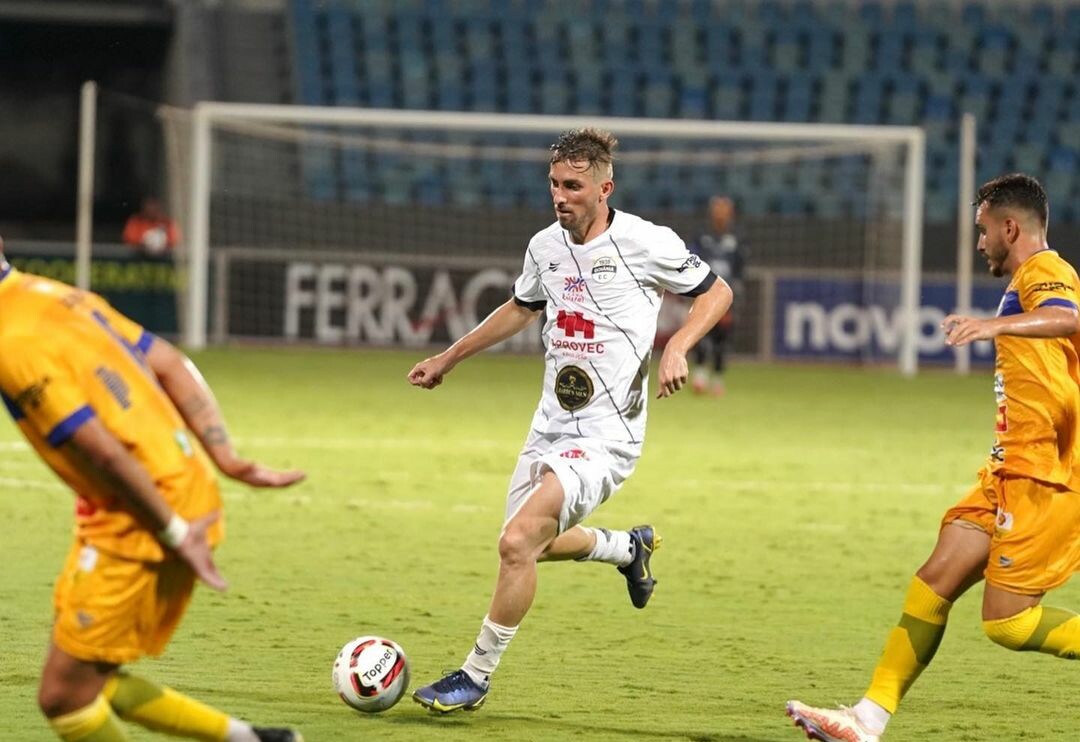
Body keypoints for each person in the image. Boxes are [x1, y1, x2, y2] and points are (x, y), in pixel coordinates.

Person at [407, 128, 733, 713]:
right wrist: (448, 358)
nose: (561, 196)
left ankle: (474, 677)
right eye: (554, 184)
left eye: (574, 186)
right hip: (550, 424)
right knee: (526, 547)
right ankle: (626, 548)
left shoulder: (645, 242)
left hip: (609, 435)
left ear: (605, 188)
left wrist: (678, 346)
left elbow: (717, 293)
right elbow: (521, 308)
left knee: (517, 542)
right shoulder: (544, 247)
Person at [786, 173, 1080, 742]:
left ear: (1010, 228)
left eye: (983, 230)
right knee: (933, 580)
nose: (979, 243)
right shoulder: (1024, 281)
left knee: (1008, 623)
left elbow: (1068, 316)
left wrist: (991, 326)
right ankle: (866, 721)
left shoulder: (1045, 269)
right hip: (1007, 469)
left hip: (1046, 475)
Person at [0, 235, 306, 742]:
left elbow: (100, 450)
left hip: (145, 512)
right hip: (161, 492)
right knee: (85, 676)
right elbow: (169, 361)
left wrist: (174, 531)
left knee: (64, 697)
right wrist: (225, 457)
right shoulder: (61, 295)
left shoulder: (11, 342)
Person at [688, 196, 744, 397]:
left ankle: (718, 379)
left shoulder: (737, 237)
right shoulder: (702, 235)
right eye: (717, 209)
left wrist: (734, 296)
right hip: (704, 292)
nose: (720, 213)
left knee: (722, 338)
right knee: (700, 332)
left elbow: (739, 269)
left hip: (727, 295)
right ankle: (700, 375)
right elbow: (691, 260)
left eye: (724, 209)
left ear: (730, 213)